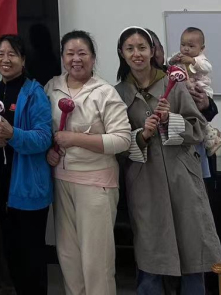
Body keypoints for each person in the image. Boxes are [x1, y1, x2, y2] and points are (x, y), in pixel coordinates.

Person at [114, 27, 221, 295]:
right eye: (130, 48)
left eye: (142, 47)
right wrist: (142, 136)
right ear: (121, 53)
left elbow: (198, 128)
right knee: (151, 254)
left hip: (181, 175)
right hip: (144, 180)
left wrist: (170, 120)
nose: (137, 54)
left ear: (153, 51)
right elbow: (117, 143)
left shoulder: (174, 84)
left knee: (192, 251)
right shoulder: (118, 93)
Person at [44, 31, 132, 295]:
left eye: (82, 53)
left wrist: (76, 139)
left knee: (96, 260)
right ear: (62, 57)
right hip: (61, 181)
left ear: (93, 58)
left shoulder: (105, 93)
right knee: (68, 256)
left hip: (96, 184)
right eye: (70, 54)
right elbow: (43, 128)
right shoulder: (52, 87)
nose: (76, 59)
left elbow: (122, 139)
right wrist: (49, 150)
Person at [0, 34, 53, 295]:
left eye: (12, 54)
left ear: (23, 60)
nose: (5, 59)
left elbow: (43, 138)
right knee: (10, 253)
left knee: (31, 257)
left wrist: (13, 134)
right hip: (0, 186)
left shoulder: (35, 93)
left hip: (27, 186)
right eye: (0, 54)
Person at [170, 28, 221, 155]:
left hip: (201, 89)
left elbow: (207, 68)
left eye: (191, 46)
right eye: (183, 45)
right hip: (187, 89)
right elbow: (169, 62)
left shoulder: (201, 59)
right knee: (193, 116)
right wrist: (173, 60)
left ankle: (212, 138)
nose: (186, 49)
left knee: (198, 116)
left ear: (201, 48)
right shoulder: (179, 56)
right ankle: (211, 136)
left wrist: (193, 61)